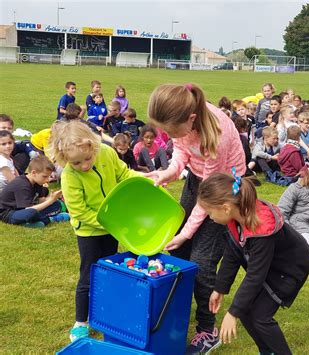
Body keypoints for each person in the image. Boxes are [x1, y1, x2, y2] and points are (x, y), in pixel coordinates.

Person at [145, 83, 246, 354]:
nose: (167, 135)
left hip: (223, 192)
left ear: (190, 119)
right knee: (179, 255)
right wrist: (169, 172)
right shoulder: (184, 120)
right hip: (198, 179)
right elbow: (181, 150)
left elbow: (206, 200)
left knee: (201, 262)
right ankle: (174, 314)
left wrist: (187, 232)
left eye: (170, 130)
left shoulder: (217, 134)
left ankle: (207, 329)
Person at [47, 120, 140, 342]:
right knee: (88, 275)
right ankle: (81, 321)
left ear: (93, 146)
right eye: (76, 162)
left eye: (87, 158)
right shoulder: (70, 176)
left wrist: (145, 178)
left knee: (108, 270)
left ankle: (105, 312)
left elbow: (124, 175)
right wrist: (111, 222)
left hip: (111, 226)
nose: (84, 165)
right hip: (89, 231)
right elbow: (80, 213)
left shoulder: (107, 153)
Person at [200, 171, 309, 355]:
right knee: (246, 310)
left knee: (260, 316)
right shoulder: (236, 217)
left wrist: (232, 312)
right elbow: (232, 253)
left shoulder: (261, 231)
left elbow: (255, 276)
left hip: (289, 269)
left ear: (226, 208)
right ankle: (267, 351)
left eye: (210, 212)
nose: (210, 217)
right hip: (271, 265)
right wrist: (219, 288)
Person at [0, 155, 69, 228]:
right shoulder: (22, 185)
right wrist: (50, 201)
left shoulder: (37, 182)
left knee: (57, 204)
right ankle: (51, 219)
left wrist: (53, 198)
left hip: (24, 209)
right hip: (8, 213)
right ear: (34, 173)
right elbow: (28, 209)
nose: (48, 180)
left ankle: (33, 222)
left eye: (49, 176)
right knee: (31, 213)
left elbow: (41, 200)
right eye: (45, 176)